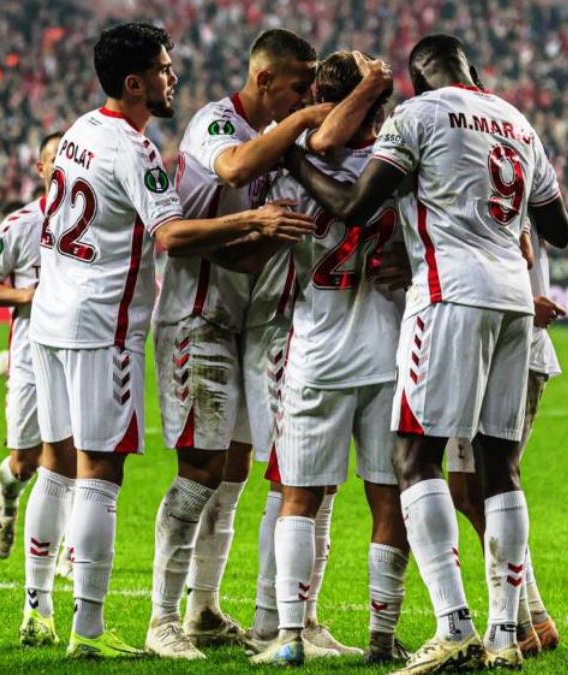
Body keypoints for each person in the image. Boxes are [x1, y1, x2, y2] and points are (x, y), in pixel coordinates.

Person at [282, 33, 568, 673]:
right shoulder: (517, 122)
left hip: (448, 296)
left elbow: (354, 206)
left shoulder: (418, 114)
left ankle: (453, 626)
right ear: (474, 70)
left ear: (416, 80)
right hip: (514, 304)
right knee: (500, 467)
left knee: (415, 458)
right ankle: (505, 635)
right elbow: (559, 229)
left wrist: (293, 161)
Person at [26, 22, 315, 660]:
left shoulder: (77, 132)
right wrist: (256, 219)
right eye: (162, 68)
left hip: (58, 313)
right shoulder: (145, 147)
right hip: (121, 321)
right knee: (107, 470)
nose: (172, 77)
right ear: (135, 83)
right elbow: (172, 235)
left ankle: (195, 608)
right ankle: (125, 623)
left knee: (222, 467)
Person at [145, 28, 384, 659]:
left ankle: (253, 617)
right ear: (265, 80)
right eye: (300, 87)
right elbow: (233, 170)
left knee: (269, 471)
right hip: (199, 316)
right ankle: (162, 617)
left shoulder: (290, 145)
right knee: (201, 472)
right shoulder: (217, 123)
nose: (308, 99)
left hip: (262, 324)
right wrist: (302, 124)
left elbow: (255, 252)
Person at [242, 51, 408, 666]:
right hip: (389, 352)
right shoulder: (402, 169)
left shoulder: (292, 170)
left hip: (315, 351)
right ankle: (382, 637)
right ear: (377, 107)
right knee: (388, 498)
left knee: (299, 498)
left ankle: (289, 636)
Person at [445, 223, 566, 661]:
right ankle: (531, 619)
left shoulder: (509, 194)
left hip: (513, 347)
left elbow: (533, 245)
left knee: (490, 483)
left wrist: (521, 301)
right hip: (479, 344)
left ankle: (522, 623)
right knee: (469, 490)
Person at [0, 131, 62, 564]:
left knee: (74, 457)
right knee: (25, 463)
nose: (62, 166)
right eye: (54, 159)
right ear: (40, 168)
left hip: (81, 353)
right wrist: (27, 295)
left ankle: (68, 551)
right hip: (29, 358)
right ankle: (7, 504)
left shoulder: (100, 221)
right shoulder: (20, 224)